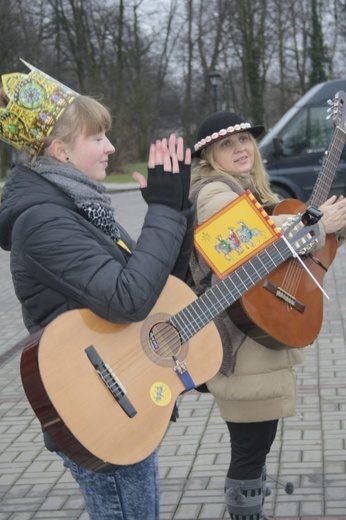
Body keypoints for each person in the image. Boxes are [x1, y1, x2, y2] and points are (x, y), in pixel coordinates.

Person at [0, 61, 194, 520]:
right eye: (97, 137)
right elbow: (128, 300)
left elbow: (161, 288)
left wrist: (178, 211)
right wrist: (162, 214)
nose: (110, 147)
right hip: (95, 409)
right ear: (61, 151)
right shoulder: (44, 222)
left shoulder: (82, 207)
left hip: (120, 394)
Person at [188, 110, 346, 520]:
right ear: (208, 156)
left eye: (244, 140)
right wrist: (317, 225)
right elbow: (252, 246)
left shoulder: (253, 192)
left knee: (254, 451)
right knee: (248, 453)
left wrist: (333, 228)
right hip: (243, 348)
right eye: (227, 144)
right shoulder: (214, 193)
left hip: (261, 342)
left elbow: (295, 256)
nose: (240, 148)